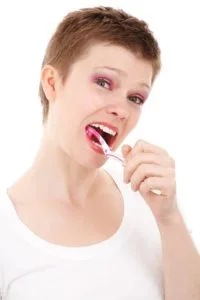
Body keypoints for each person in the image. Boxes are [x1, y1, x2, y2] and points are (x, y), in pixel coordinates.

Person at [0, 6, 200, 300]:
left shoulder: (148, 201)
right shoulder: (6, 233)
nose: (122, 110)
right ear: (52, 83)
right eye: (104, 82)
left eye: (136, 97)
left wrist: (169, 219)